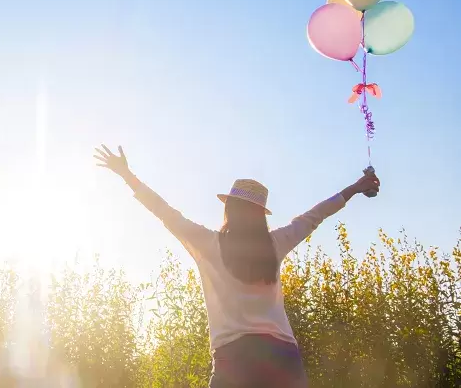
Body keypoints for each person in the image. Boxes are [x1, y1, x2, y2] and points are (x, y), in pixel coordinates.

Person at [94, 144, 380, 388]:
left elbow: (165, 212)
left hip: (234, 359)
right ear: (260, 214)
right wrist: (355, 188)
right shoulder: (275, 243)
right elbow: (315, 215)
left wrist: (127, 176)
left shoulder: (208, 244)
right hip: (283, 359)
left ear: (228, 209)